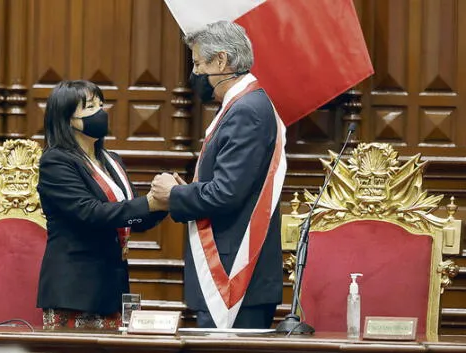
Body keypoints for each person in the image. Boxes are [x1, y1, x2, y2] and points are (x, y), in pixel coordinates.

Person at [150, 21, 287, 329]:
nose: (195, 73)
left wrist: (174, 194)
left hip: (233, 274)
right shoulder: (243, 104)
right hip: (231, 272)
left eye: (199, 63)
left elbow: (225, 193)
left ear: (221, 61)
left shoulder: (247, 110)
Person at [36, 80, 167, 329]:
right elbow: (90, 212)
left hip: (113, 289)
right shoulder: (56, 161)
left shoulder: (111, 161)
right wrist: (148, 204)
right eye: (90, 107)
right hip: (75, 291)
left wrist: (165, 202)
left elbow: (131, 217)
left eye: (101, 104)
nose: (101, 112)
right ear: (67, 119)